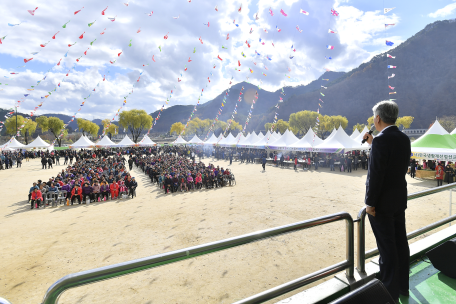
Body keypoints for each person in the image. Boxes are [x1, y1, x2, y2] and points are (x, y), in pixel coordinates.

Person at [363, 100, 411, 301]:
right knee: (400, 243)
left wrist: (369, 203)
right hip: (398, 201)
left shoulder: (381, 141)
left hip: (381, 205)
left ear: (378, 118)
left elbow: (376, 174)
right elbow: (392, 164)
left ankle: (389, 294)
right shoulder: (404, 138)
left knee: (387, 248)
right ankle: (403, 287)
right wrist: (374, 144)